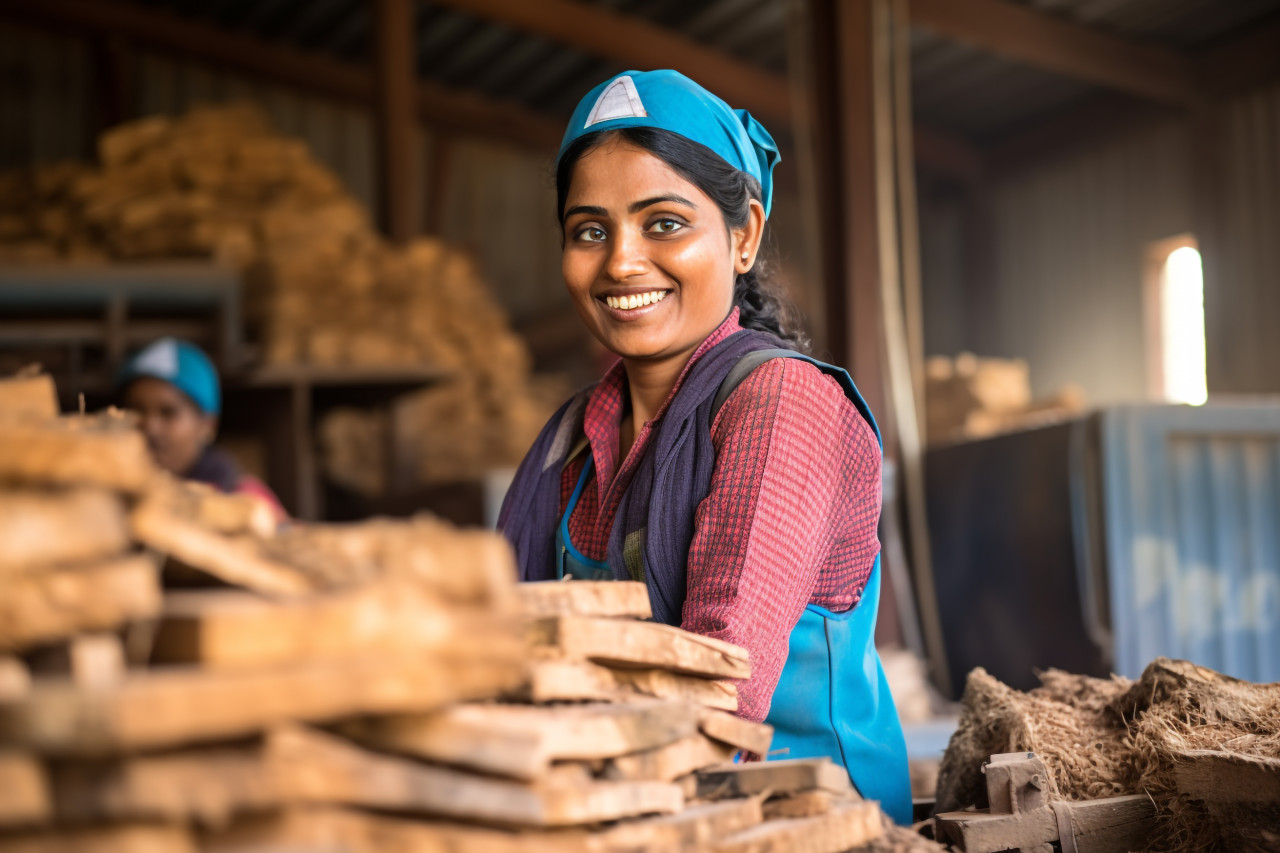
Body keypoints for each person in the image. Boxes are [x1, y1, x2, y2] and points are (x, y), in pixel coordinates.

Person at [498, 70, 911, 823]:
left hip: (801, 823)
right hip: (629, 806)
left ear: (744, 234)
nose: (621, 260)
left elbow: (722, 696)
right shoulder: (568, 442)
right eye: (590, 230)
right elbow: (500, 646)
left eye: (663, 223)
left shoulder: (779, 404)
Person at [117, 337, 286, 521]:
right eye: (136, 410)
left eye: (168, 412)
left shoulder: (247, 500)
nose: (150, 427)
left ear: (207, 425)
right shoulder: (110, 497)